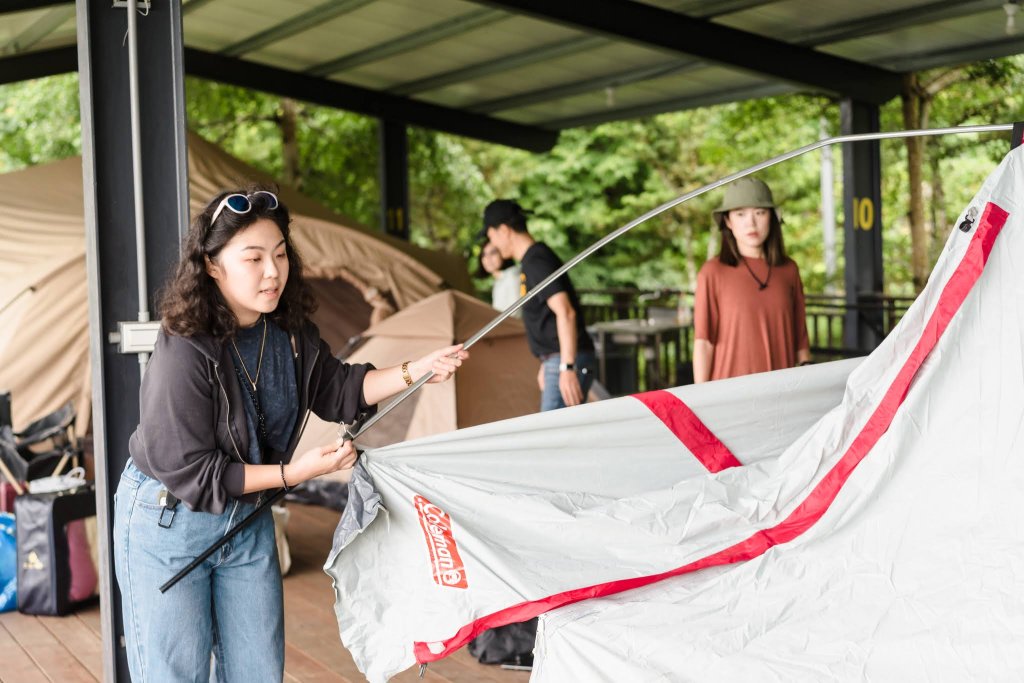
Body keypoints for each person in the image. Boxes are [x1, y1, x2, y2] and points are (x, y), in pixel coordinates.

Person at [112, 186, 467, 682]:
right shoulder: (184, 347)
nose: (272, 272)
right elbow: (195, 473)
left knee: (259, 672)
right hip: (170, 520)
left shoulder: (290, 334)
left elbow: (342, 389)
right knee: (177, 675)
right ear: (212, 265)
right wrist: (295, 472)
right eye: (253, 258)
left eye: (279, 255)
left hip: (249, 516)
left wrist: (419, 369)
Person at [481, 199, 595, 411]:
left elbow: (565, 312)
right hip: (556, 359)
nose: (493, 245)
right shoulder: (530, 261)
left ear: (504, 231)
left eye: (491, 237)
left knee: (554, 438)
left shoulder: (536, 260)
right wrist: (547, 361)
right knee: (562, 434)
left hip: (566, 359)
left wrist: (566, 367)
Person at [693, 177, 810, 383]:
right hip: (729, 395)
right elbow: (703, 342)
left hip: (781, 392)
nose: (751, 222)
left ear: (771, 217)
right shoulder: (712, 272)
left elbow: (801, 339)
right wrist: (700, 401)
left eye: (760, 212)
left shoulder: (789, 270)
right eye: (740, 214)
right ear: (728, 221)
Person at [476, 240, 522, 316]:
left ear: (502, 253)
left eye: (493, 253)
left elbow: (515, 313)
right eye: (484, 255)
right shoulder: (497, 282)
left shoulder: (512, 275)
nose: (488, 258)